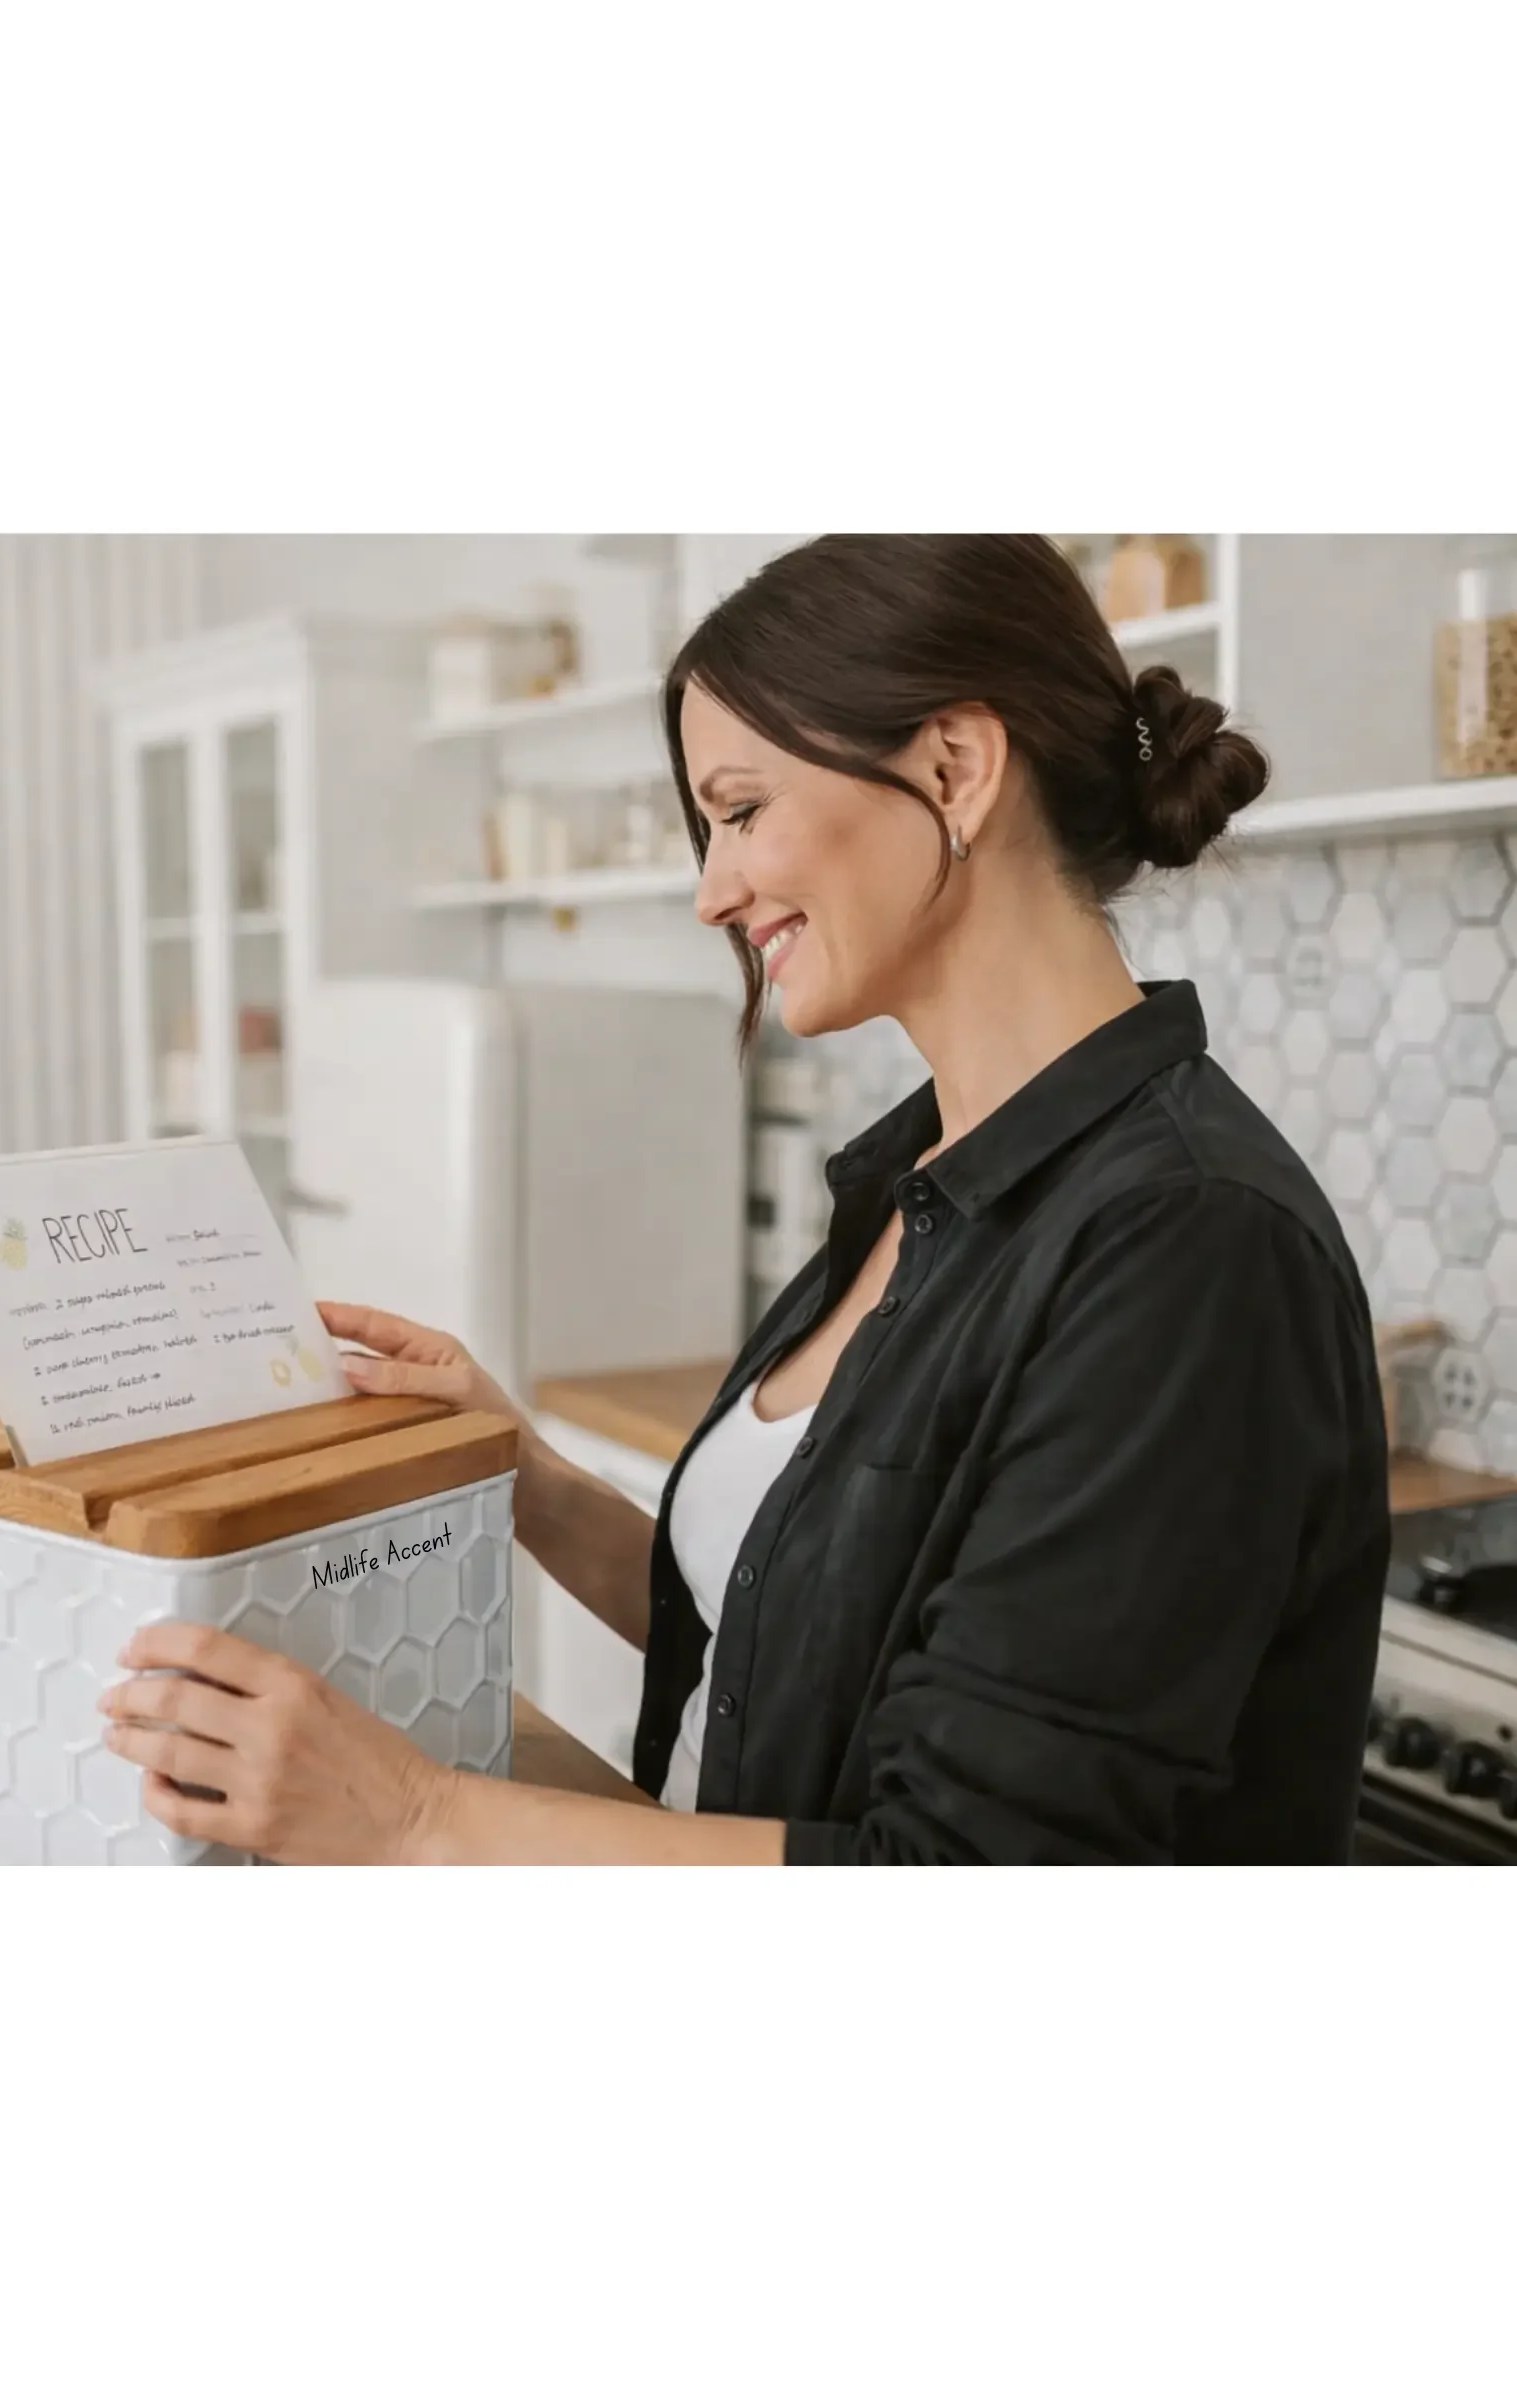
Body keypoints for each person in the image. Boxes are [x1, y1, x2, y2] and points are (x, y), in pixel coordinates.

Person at [101, 534, 1391, 1864]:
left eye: (740, 810)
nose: (714, 890)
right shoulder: (915, 1182)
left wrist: (414, 1818)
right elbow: (790, 1655)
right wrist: (525, 1480)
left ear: (955, 769)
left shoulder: (1186, 1247)